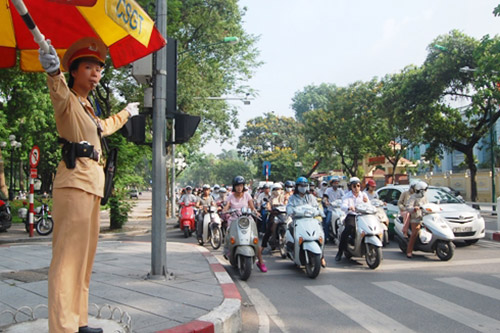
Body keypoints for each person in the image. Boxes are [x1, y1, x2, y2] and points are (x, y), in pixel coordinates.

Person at [39, 37, 138, 333]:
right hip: (74, 184)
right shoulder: (68, 100)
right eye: (88, 67)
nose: (95, 74)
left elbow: (104, 126)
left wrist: (126, 114)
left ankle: (79, 320)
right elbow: (56, 89)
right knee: (67, 259)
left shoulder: (88, 109)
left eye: (98, 69)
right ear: (74, 72)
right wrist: (52, 71)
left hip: (92, 185)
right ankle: (63, 327)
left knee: (84, 260)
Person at [223, 176, 267, 272]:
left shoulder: (247, 195)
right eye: (237, 185)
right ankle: (228, 251)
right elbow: (226, 207)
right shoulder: (230, 196)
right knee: (228, 234)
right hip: (234, 220)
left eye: (241, 185)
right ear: (234, 186)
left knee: (254, 239)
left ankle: (260, 262)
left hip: (247, 220)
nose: (239, 187)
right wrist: (225, 210)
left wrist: (255, 212)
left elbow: (252, 207)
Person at [287, 177, 327, 267]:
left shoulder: (311, 197)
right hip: (298, 220)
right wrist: (290, 211)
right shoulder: (292, 198)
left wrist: (321, 212)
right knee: (294, 234)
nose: (303, 187)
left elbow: (317, 207)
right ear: (297, 186)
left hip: (311, 220)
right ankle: (294, 250)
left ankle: (322, 256)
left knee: (320, 235)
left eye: (305, 185)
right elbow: (289, 207)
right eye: (301, 185)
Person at [336, 177, 369, 261]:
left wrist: (367, 202)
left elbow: (369, 204)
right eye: (354, 186)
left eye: (358, 186)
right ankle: (340, 251)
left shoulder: (363, 195)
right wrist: (348, 207)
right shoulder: (347, 196)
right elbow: (343, 206)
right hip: (352, 215)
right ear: (350, 186)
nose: (356, 188)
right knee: (349, 228)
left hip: (363, 215)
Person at [406, 181, 429, 258]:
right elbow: (408, 207)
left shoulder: (425, 197)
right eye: (424, 190)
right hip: (415, 218)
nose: (425, 191)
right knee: (414, 234)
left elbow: (428, 205)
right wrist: (414, 208)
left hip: (425, 218)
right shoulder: (413, 197)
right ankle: (409, 251)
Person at [260, 183, 285, 252]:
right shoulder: (271, 198)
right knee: (268, 230)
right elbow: (268, 205)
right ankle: (262, 247)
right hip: (274, 215)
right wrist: (269, 208)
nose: (277, 191)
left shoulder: (283, 197)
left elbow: (287, 204)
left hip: (283, 215)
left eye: (279, 189)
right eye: (276, 189)